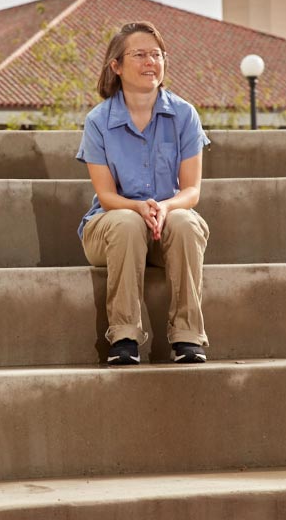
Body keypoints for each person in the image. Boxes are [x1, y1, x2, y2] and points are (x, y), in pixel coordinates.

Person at [75, 20, 211, 365]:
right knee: (125, 222)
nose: (151, 62)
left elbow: (191, 191)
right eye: (140, 55)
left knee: (184, 222)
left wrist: (164, 208)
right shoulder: (98, 121)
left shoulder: (184, 115)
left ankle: (188, 337)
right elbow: (107, 198)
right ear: (116, 66)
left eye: (157, 54)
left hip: (165, 224)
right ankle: (123, 337)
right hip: (110, 227)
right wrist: (139, 208)